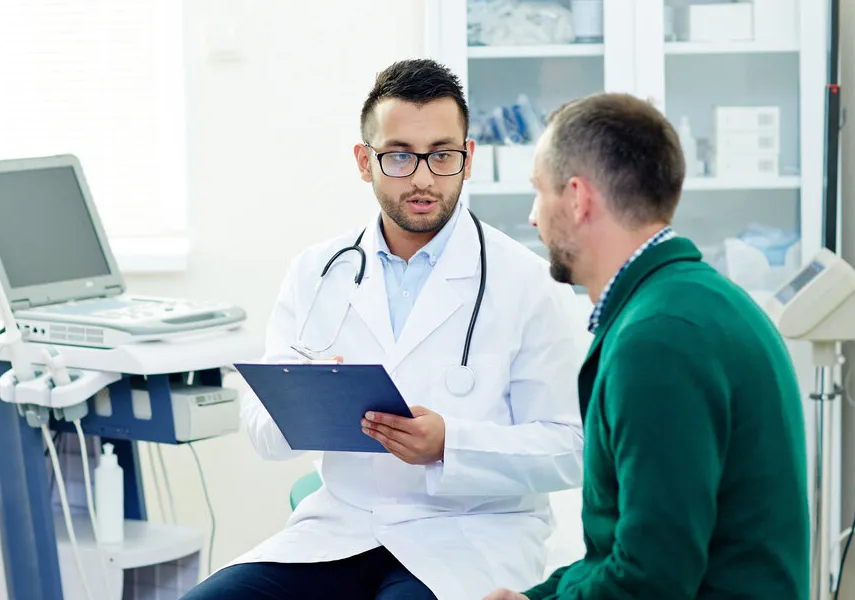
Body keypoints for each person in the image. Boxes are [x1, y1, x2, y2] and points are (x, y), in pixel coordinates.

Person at [181, 59, 589, 600]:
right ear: (364, 161)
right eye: (399, 156)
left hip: (469, 535)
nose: (422, 178)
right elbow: (261, 431)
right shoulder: (316, 272)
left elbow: (571, 447)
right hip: (342, 529)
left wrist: (452, 444)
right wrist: (306, 401)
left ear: (467, 160)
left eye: (441, 155)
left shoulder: (529, 284)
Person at [484, 93, 809, 600]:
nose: (532, 217)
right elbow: (624, 551)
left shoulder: (658, 339)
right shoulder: (696, 302)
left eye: (538, 193)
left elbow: (652, 579)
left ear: (577, 198)